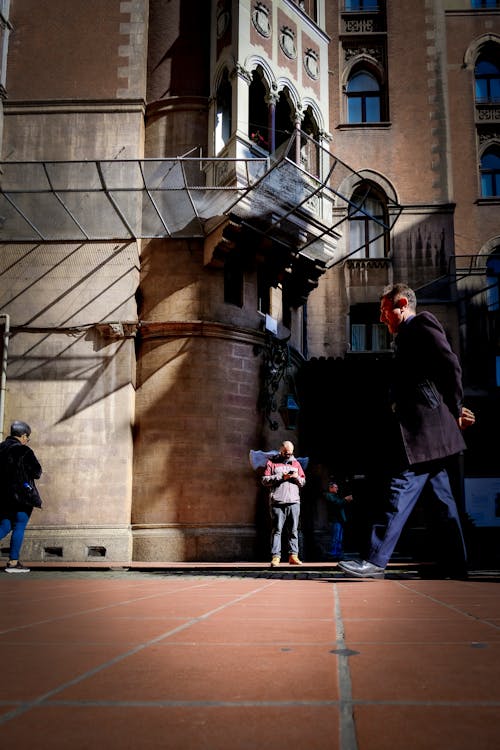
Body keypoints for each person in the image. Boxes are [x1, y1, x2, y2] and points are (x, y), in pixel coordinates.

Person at [339, 283, 475, 579]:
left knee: (399, 491)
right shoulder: (406, 337)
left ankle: (375, 560)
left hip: (425, 431)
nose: (381, 318)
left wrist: (454, 411)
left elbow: (451, 366)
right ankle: (456, 563)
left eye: (384, 310)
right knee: (443, 501)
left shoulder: (423, 323)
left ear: (402, 303)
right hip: (427, 432)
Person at [0, 421, 42, 573]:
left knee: (4, 526)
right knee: (19, 525)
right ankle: (13, 562)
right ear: (23, 436)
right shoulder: (24, 451)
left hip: (2, 497)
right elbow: (37, 472)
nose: (27, 440)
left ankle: (13, 561)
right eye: (27, 437)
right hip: (21, 497)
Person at [262, 440, 306, 567]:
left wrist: (296, 477)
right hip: (277, 501)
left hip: (293, 502)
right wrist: (282, 477)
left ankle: (293, 556)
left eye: (291, 453)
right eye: (287, 453)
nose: (289, 455)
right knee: (277, 530)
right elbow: (264, 480)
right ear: (281, 451)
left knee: (293, 530)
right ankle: (276, 557)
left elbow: (303, 482)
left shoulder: (296, 463)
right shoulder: (271, 463)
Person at [324, 479, 353, 561]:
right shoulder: (328, 495)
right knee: (335, 538)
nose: (337, 489)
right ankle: (333, 554)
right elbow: (338, 503)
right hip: (335, 520)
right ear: (330, 488)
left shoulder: (335, 496)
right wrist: (345, 499)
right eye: (335, 487)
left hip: (339, 520)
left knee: (339, 538)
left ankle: (339, 554)